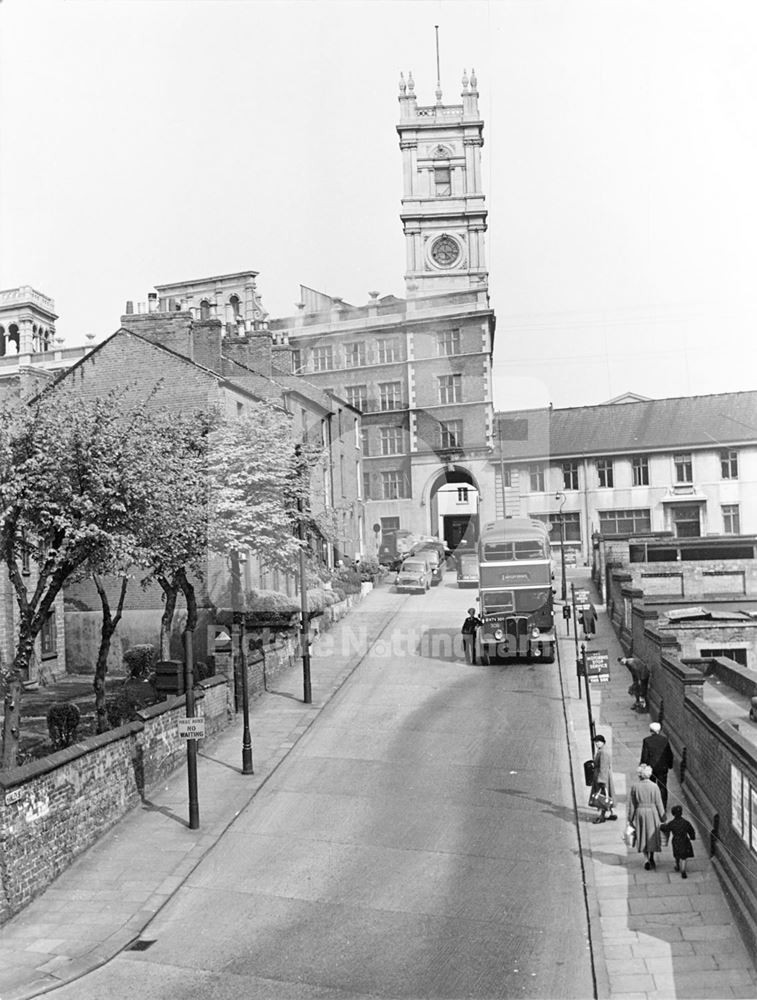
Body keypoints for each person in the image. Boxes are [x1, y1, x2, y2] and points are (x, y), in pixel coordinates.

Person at [628, 764, 665, 870]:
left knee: (642, 835)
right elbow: (659, 803)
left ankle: (646, 859)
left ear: (639, 775)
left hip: (640, 813)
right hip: (652, 813)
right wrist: (663, 818)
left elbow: (632, 805)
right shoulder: (655, 786)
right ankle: (652, 857)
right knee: (651, 835)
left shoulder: (635, 787)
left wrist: (630, 819)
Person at [640, 721, 674, 809]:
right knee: (662, 787)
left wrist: (643, 767)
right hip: (662, 767)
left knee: (651, 786)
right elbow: (669, 754)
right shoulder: (665, 740)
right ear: (659, 730)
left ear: (651, 730)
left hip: (651, 768)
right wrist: (670, 765)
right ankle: (663, 807)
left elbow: (645, 756)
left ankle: (652, 805)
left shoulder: (647, 740)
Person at [660, 804, 696, 878]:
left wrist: (661, 826)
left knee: (677, 854)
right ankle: (683, 870)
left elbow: (666, 828)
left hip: (676, 841)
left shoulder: (672, 823)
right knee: (684, 857)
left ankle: (677, 865)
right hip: (685, 840)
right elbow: (691, 830)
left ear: (673, 814)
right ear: (681, 813)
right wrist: (692, 837)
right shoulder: (686, 822)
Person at [589, 734, 618, 823]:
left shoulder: (603, 753)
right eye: (595, 742)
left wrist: (602, 781)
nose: (596, 744)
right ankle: (611, 813)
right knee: (607, 796)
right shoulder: (601, 751)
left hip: (602, 776)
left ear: (603, 742)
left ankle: (602, 817)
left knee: (602, 797)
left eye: (598, 742)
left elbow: (603, 768)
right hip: (603, 776)